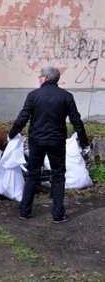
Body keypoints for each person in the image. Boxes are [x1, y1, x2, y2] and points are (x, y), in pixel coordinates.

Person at [8, 66, 90, 223]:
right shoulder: (66, 96)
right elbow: (76, 121)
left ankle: (25, 211)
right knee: (58, 176)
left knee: (32, 175)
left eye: (40, 76)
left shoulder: (33, 95)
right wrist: (84, 142)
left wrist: (11, 134)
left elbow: (23, 117)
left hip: (36, 141)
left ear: (45, 78)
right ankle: (58, 215)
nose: (39, 78)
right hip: (57, 142)